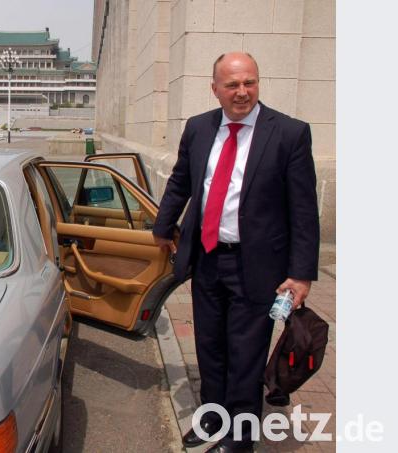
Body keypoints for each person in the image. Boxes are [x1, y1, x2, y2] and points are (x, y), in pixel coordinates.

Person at [152, 52, 319, 453]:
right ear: (216, 89)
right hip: (207, 258)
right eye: (232, 85)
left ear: (257, 83)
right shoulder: (198, 128)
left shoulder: (289, 133)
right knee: (209, 346)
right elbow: (181, 182)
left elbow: (303, 210)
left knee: (246, 353)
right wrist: (162, 228)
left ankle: (241, 435)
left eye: (250, 83)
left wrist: (301, 274)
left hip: (259, 265)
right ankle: (212, 418)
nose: (242, 92)